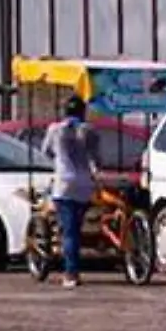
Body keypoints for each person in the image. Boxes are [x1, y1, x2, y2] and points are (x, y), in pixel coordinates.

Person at [41, 94, 99, 289]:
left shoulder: (55, 130)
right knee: (76, 229)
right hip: (84, 185)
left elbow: (46, 151)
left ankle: (71, 274)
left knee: (69, 231)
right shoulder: (89, 131)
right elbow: (96, 157)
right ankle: (73, 268)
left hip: (64, 184)